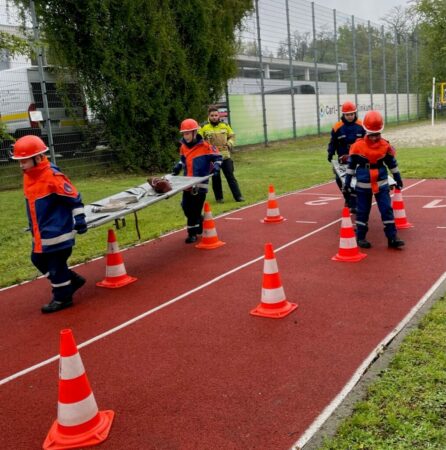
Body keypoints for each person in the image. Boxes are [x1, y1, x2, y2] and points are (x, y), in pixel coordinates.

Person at [11, 135, 88, 313]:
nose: (21, 165)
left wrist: (80, 219)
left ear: (38, 158)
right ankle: (71, 281)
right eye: (19, 161)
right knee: (37, 259)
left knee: (55, 266)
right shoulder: (29, 176)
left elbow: (74, 198)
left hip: (57, 233)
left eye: (24, 160)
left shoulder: (52, 176)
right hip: (41, 233)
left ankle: (63, 298)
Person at [343, 110, 405, 249]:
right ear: (366, 131)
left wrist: (397, 177)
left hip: (381, 184)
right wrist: (347, 183)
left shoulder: (385, 145)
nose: (375, 138)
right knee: (362, 211)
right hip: (363, 185)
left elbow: (392, 164)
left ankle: (392, 238)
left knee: (386, 210)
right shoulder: (358, 146)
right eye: (372, 135)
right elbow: (351, 166)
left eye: (377, 134)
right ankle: (360, 238)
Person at [172, 118, 222, 243]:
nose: (185, 136)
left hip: (200, 184)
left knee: (194, 209)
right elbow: (183, 160)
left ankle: (192, 234)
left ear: (195, 132)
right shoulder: (183, 147)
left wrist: (216, 166)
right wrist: (178, 166)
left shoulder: (205, 146)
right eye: (184, 133)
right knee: (186, 207)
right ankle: (199, 221)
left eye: (188, 133)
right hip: (187, 184)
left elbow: (218, 157)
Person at [199, 105, 244, 203]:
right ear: (209, 116)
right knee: (216, 178)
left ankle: (238, 197)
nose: (214, 117)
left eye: (216, 115)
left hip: (225, 157)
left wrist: (229, 144)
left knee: (230, 177)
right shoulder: (204, 127)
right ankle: (219, 199)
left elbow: (232, 136)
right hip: (212, 158)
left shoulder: (225, 126)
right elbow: (199, 140)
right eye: (212, 115)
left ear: (219, 116)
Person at [327, 101, 365, 213]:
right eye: (348, 114)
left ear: (355, 113)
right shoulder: (337, 127)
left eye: (352, 114)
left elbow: (366, 142)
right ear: (343, 115)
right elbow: (332, 142)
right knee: (340, 180)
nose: (350, 116)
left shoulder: (361, 126)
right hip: (343, 160)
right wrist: (330, 152)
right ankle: (348, 199)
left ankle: (354, 202)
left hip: (358, 158)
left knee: (357, 180)